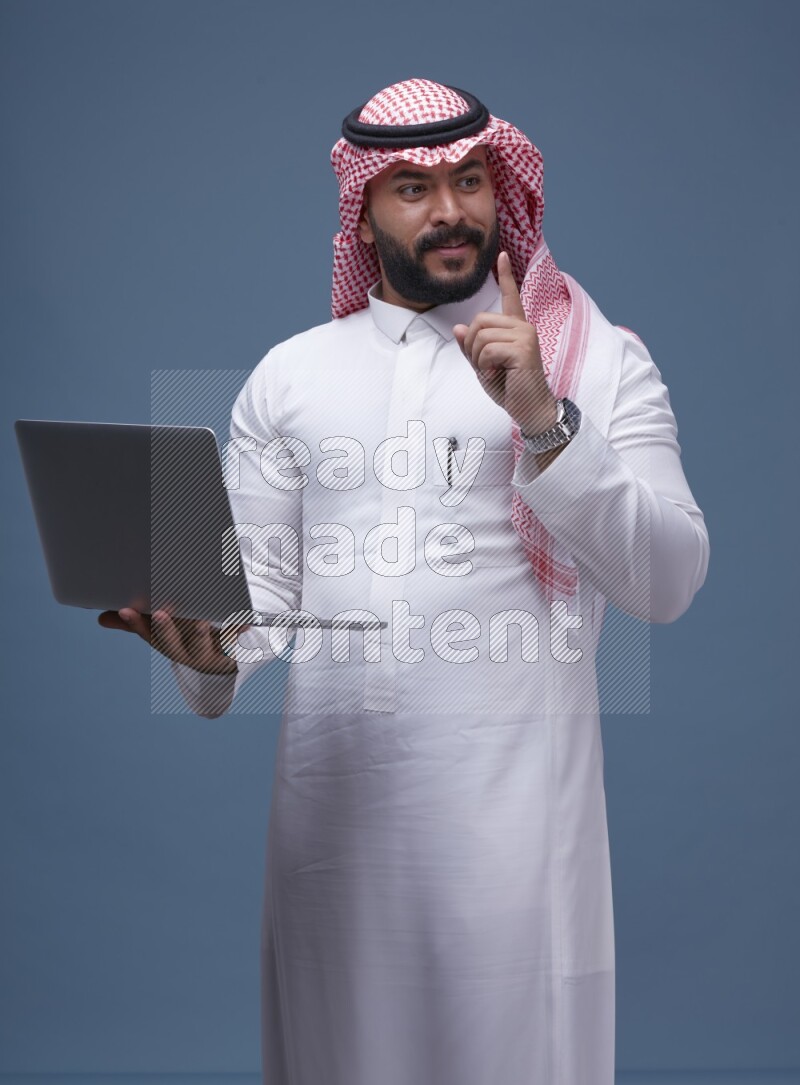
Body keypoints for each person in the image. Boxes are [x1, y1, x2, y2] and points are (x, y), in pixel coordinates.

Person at [100, 79, 709, 1085]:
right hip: (333, 841)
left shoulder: (591, 358)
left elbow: (667, 579)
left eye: (469, 181)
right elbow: (253, 607)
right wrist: (207, 657)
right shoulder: (291, 376)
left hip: (517, 838)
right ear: (361, 209)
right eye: (412, 190)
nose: (450, 212)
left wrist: (543, 419)